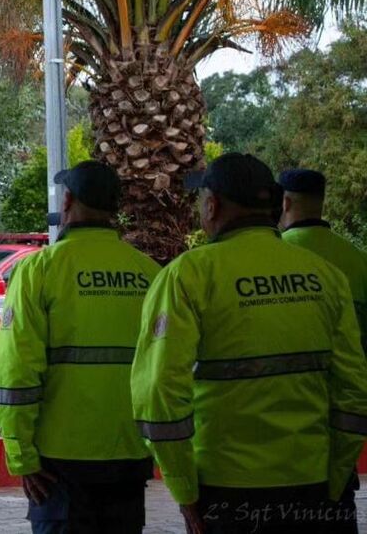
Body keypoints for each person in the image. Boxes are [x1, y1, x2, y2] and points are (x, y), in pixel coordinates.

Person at [131, 153, 367, 534]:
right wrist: (336, 477)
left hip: (229, 491)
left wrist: (184, 488)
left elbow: (159, 391)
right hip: (317, 486)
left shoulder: (188, 275)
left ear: (213, 205)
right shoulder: (325, 275)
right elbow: (354, 389)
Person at [0, 161, 161, 534]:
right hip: (130, 453)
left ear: (67, 201)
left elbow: (15, 373)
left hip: (59, 464)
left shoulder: (40, 271)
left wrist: (20, 456)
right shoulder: (150, 273)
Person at [278, 167, 367, 532]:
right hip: (342, 430)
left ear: (283, 202)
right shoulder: (357, 262)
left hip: (282, 432)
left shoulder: (276, 257)